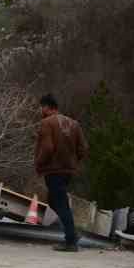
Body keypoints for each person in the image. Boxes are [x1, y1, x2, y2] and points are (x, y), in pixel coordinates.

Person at [34, 93, 89, 252]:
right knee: (54, 200)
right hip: (68, 170)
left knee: (60, 203)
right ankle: (72, 232)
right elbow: (83, 149)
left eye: (41, 107)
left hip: (53, 169)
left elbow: (48, 148)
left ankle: (71, 240)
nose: (40, 110)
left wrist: (39, 163)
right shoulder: (74, 123)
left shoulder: (47, 123)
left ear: (46, 107)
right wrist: (73, 162)